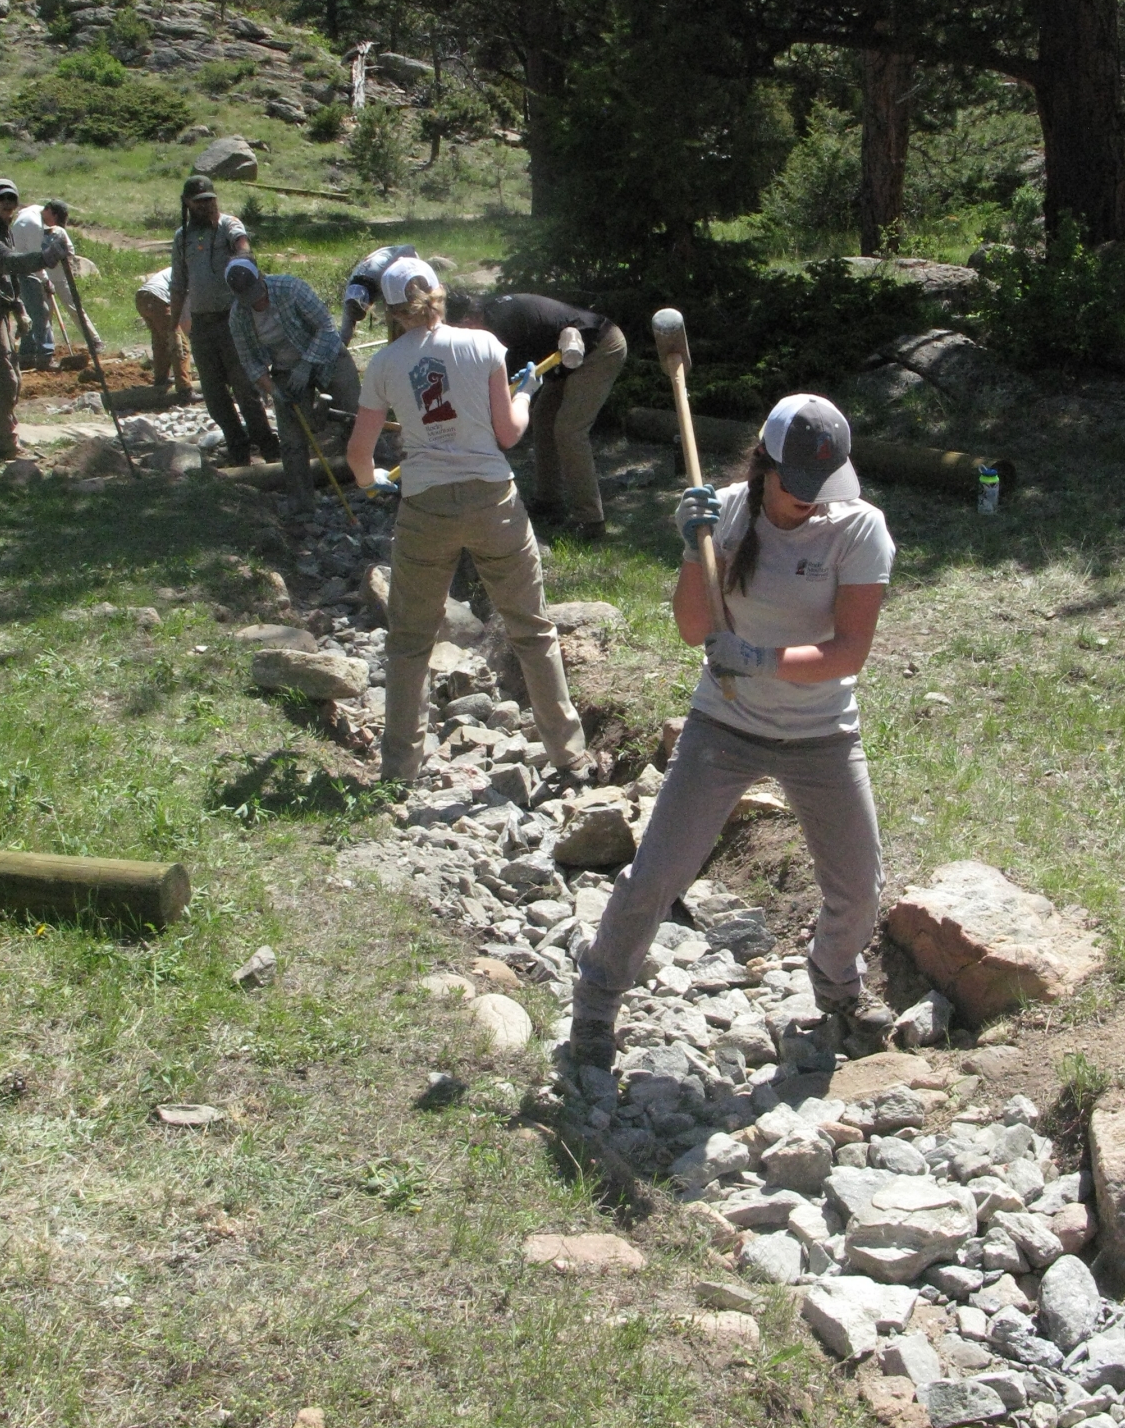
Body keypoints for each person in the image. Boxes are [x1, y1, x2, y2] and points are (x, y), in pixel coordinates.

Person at [569, 394, 896, 1073]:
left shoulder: (860, 529)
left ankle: (837, 986)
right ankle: (597, 1001)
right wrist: (694, 549)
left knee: (859, 887)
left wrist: (763, 659)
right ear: (764, 465)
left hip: (822, 733)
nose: (807, 501)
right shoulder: (724, 513)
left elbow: (848, 652)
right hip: (727, 722)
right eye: (794, 486)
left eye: (819, 488)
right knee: (656, 875)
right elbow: (694, 629)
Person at [345, 257, 592, 788]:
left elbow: (359, 453)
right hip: (493, 503)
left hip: (425, 506)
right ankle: (571, 757)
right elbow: (508, 434)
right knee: (532, 630)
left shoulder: (384, 364)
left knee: (410, 641)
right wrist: (525, 394)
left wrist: (371, 483)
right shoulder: (483, 347)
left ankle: (399, 771)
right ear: (439, 295)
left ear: (390, 310)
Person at [478, 292, 628, 539]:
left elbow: (503, 377)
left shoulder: (503, 324)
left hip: (599, 347)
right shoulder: (490, 317)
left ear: (470, 319)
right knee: (543, 418)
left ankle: (590, 520)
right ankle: (549, 501)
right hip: (563, 359)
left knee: (569, 431)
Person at [225, 258, 360, 516]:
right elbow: (250, 363)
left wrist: (307, 364)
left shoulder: (291, 289)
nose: (255, 301)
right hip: (285, 371)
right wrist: (274, 390)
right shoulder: (238, 317)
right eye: (247, 297)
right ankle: (301, 501)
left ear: (261, 278)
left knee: (357, 413)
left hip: (327, 355)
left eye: (256, 293)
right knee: (291, 439)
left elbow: (326, 328)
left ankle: (371, 479)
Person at [169, 175, 278, 466]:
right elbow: (179, 285)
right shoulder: (183, 238)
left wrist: (242, 260)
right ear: (187, 203)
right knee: (215, 396)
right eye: (200, 202)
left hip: (233, 320)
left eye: (210, 200)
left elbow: (243, 245)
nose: (207, 206)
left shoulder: (230, 225)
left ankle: (268, 447)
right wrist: (173, 329)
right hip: (202, 324)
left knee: (246, 389)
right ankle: (237, 447)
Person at [0, 178, 68, 460]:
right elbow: (7, 262)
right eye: (1, 199)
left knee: (14, 378)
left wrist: (19, 308)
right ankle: (5, 445)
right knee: (4, 378)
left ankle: (9, 438)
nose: (6, 204)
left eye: (11, 199)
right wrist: (45, 258)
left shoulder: (4, 230)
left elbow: (7, 275)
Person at [9, 198, 73, 371]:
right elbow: (34, 260)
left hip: (15, 266)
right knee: (41, 312)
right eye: (56, 220)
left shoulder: (33, 210)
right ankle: (45, 356)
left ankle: (27, 355)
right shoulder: (34, 226)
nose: (54, 225)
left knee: (29, 312)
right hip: (24, 270)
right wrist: (46, 281)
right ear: (50, 212)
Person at [338, 241, 419, 346]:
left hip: (408, 262)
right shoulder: (350, 294)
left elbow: (408, 248)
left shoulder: (384, 274)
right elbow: (345, 332)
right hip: (384, 270)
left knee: (402, 311)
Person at [135, 265, 195, 400]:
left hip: (142, 297)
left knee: (161, 343)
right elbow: (184, 308)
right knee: (179, 345)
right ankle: (185, 390)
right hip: (158, 299)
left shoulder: (177, 269)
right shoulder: (190, 274)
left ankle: (161, 380)